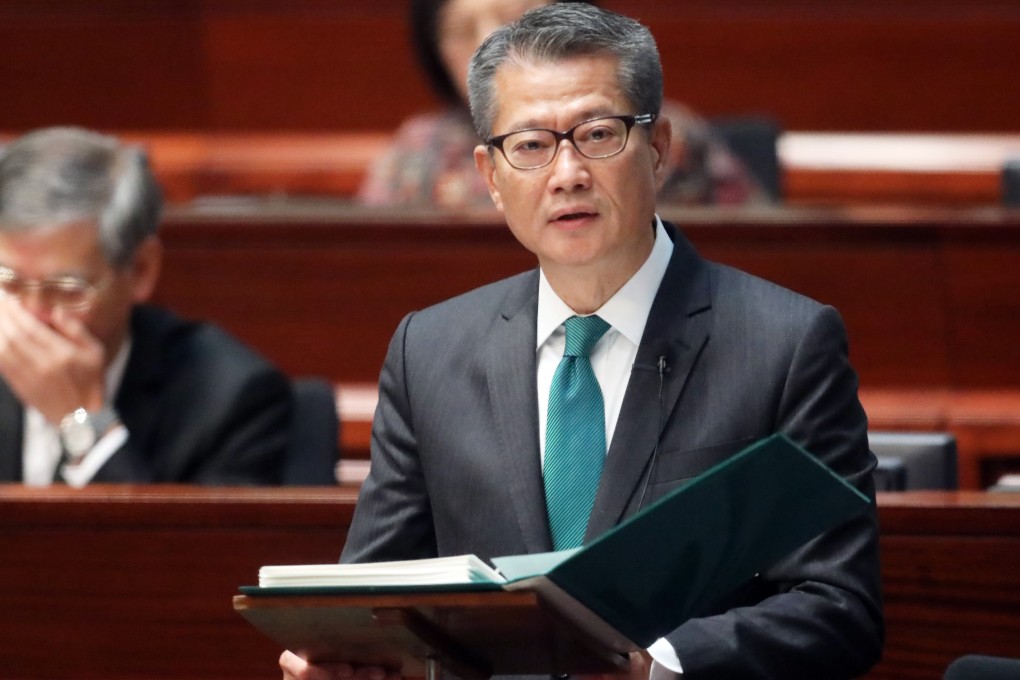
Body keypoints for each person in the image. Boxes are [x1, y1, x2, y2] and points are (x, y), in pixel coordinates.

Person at [282, 4, 882, 679]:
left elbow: (838, 606)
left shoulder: (786, 344)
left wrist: (659, 667)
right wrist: (345, 658)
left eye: (597, 134)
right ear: (491, 176)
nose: (566, 172)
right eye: (532, 145)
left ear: (658, 151)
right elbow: (376, 597)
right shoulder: (429, 351)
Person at [0, 127, 292, 486]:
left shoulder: (232, 398)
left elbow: (178, 545)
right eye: (8, 283)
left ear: (140, 271)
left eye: (66, 290)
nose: (30, 317)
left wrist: (83, 423)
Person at [357, 0, 769, 209]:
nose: (489, 45)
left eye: (513, 17)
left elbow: (765, 261)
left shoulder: (663, 134)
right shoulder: (415, 154)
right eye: (461, 30)